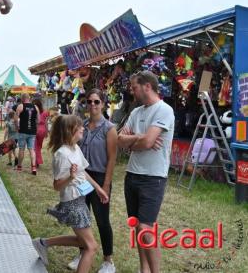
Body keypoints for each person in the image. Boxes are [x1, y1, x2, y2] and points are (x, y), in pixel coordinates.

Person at [32, 115, 109, 273]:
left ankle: (43, 243)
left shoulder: (75, 148)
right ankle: (42, 243)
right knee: (91, 247)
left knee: (82, 242)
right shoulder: (62, 154)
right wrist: (70, 177)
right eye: (79, 126)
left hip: (80, 200)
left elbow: (83, 172)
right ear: (69, 130)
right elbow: (57, 185)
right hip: (73, 203)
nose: (83, 128)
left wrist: (98, 189)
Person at [117, 71, 175, 273]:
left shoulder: (164, 110)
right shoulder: (136, 112)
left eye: (134, 88)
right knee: (136, 226)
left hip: (153, 178)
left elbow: (150, 142)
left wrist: (133, 140)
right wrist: (138, 138)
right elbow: (119, 140)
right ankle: (144, 270)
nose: (132, 92)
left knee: (146, 228)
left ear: (147, 86)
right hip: (132, 174)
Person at [68, 89, 118, 272]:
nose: (92, 105)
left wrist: (105, 185)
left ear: (103, 104)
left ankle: (108, 260)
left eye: (96, 102)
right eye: (89, 101)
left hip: (99, 176)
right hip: (82, 176)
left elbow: (112, 158)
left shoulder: (110, 128)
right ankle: (83, 252)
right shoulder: (82, 125)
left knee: (102, 219)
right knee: (82, 217)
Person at [15, 93, 39, 174]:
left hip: (23, 130)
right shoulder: (35, 107)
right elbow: (38, 120)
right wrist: (35, 127)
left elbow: (15, 119)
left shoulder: (21, 106)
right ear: (29, 98)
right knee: (31, 149)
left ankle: (19, 167)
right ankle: (33, 167)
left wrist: (16, 127)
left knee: (21, 149)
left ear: (22, 98)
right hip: (32, 131)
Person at [32, 98, 48, 169]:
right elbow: (46, 123)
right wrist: (47, 132)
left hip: (35, 129)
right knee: (39, 146)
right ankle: (37, 161)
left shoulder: (33, 111)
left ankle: (36, 162)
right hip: (43, 130)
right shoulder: (45, 112)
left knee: (35, 147)